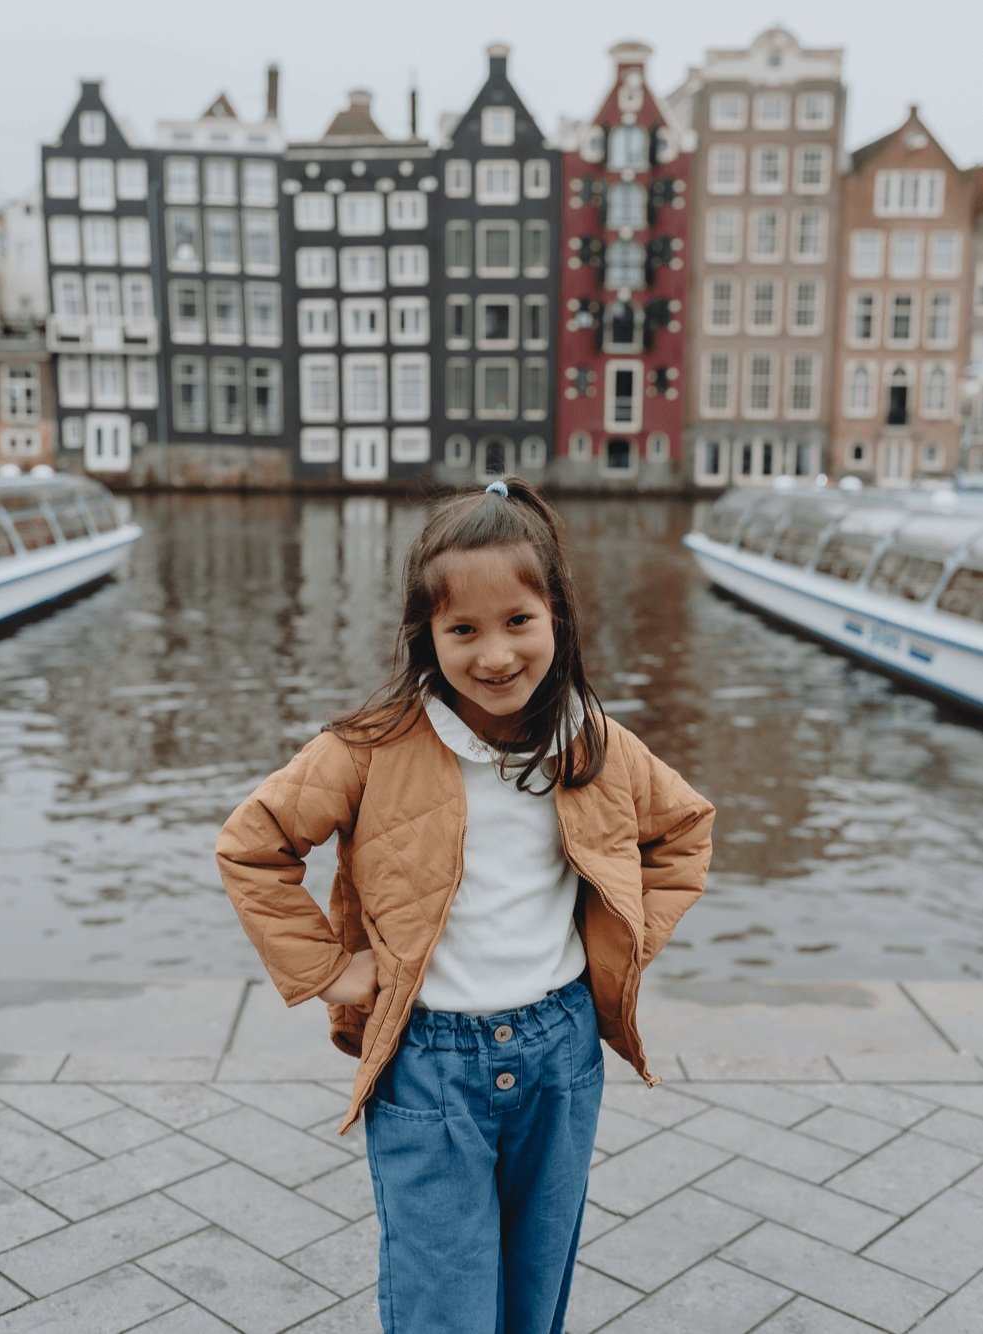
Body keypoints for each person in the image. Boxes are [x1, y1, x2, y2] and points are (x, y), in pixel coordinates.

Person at [215, 477, 714, 1334]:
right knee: (443, 1300)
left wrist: (619, 944)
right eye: (463, 630)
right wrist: (334, 971)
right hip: (429, 1062)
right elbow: (252, 846)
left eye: (518, 622)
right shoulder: (371, 745)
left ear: (556, 615)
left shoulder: (592, 741)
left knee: (534, 1292)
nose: (494, 656)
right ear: (427, 636)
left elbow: (683, 833)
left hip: (559, 1054)